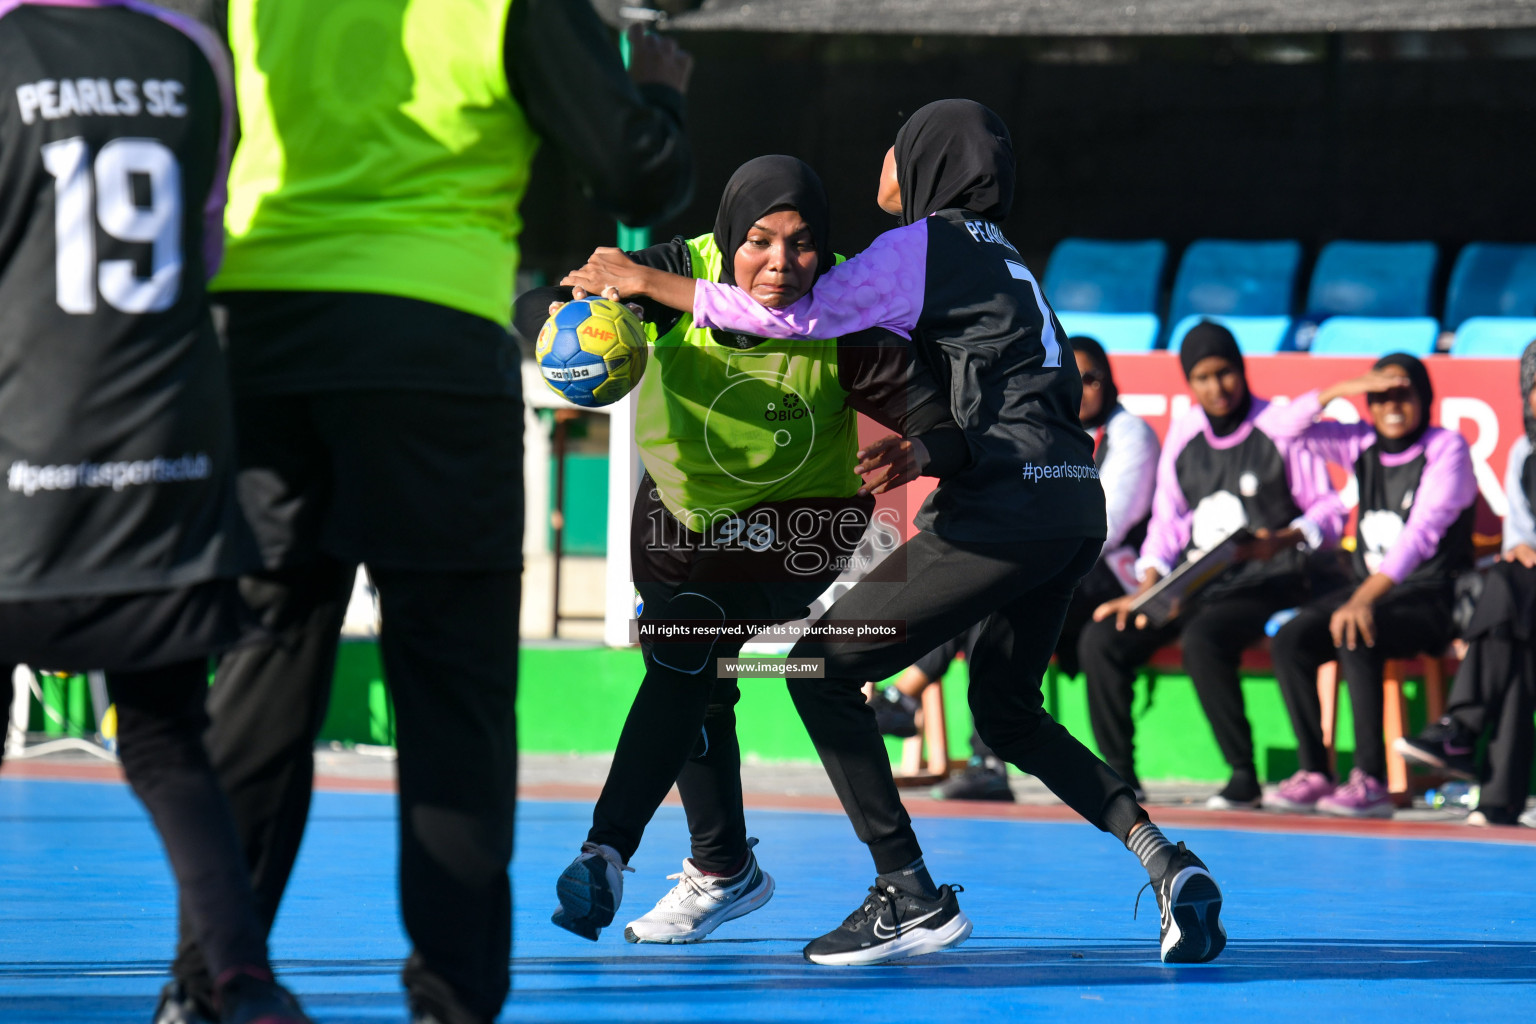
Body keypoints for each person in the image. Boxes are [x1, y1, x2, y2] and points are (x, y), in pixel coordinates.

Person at [566, 98, 1229, 966]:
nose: (883, 162)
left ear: (929, 163)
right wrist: (922, 445)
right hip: (1073, 503)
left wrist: (656, 286)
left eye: (897, 146)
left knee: (822, 668)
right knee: (1007, 711)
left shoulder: (923, 246)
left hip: (1004, 508)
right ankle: (1168, 865)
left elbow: (791, 314)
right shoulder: (1006, 258)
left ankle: (907, 893)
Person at [165, 4, 695, 1023]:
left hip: (262, 347)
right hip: (432, 355)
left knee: (260, 682)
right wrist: (659, 89)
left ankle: (203, 986)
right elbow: (634, 175)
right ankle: (448, 1004)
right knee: (452, 704)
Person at [519, 155, 967, 955]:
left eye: (801, 244)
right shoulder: (670, 275)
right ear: (729, 238)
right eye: (759, 242)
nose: (781, 264)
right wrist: (565, 325)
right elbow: (544, 305)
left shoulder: (841, 305)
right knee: (693, 671)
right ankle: (722, 870)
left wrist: (922, 444)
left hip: (804, 522)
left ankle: (607, 851)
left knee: (688, 644)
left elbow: (928, 410)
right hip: (680, 510)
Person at [0, 2, 308, 1022]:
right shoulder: (190, 51)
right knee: (169, 738)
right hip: (163, 464)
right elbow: (206, 248)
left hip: (25, 469)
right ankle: (240, 977)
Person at [870, 338, 1158, 801]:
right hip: (1047, 565)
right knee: (981, 587)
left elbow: (1110, 521)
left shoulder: (1131, 434)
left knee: (995, 587)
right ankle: (980, 759)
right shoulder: (1048, 432)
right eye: (1073, 378)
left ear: (1109, 381)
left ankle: (909, 699)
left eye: (1092, 379)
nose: (1081, 390)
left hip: (1107, 577)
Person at [1081, 322, 1345, 809]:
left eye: (1224, 373)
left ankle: (1242, 776)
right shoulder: (1185, 433)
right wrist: (1151, 582)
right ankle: (1120, 780)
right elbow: (1168, 520)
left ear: (1241, 370)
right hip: (1196, 583)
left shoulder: (1278, 428)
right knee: (1104, 638)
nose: (1215, 387)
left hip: (1271, 578)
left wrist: (1282, 539)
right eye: (1202, 377)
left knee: (1204, 638)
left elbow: (1328, 511)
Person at [1262, 355, 1476, 817]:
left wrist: (1360, 600)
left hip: (1430, 596)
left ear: (1425, 399)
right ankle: (1317, 771)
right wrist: (1345, 387)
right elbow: (1281, 429)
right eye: (1380, 396)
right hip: (1367, 594)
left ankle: (1371, 781)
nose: (1391, 406)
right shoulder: (1360, 441)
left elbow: (1420, 537)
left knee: (1358, 630)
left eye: (1404, 394)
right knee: (1292, 638)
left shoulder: (1447, 449)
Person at [1397, 339, 1536, 828]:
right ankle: (1499, 801)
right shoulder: (1524, 452)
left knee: (1506, 588)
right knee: (1514, 640)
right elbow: (1520, 537)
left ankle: (1461, 730)